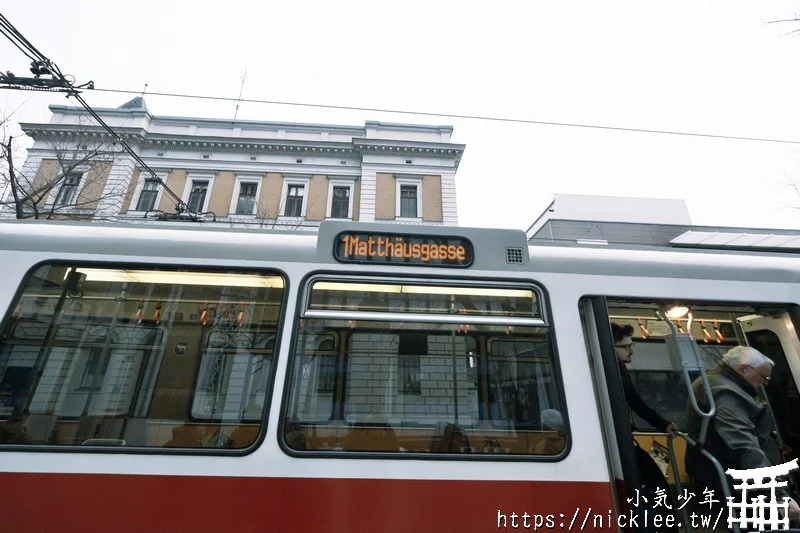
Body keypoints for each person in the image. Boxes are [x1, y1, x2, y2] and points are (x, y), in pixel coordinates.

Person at [684, 346, 800, 525]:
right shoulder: (725, 392)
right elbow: (743, 444)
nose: (764, 382)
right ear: (744, 368)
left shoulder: (715, 381)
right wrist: (777, 494)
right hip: (735, 475)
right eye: (763, 377)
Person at [611, 322, 678, 528]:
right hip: (620, 439)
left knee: (652, 481)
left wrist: (663, 424)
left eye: (632, 345)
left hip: (625, 437)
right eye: (625, 346)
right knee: (652, 481)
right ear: (609, 347)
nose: (631, 350)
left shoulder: (619, 369)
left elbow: (635, 401)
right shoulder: (610, 371)